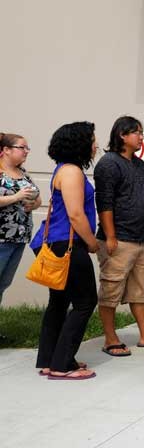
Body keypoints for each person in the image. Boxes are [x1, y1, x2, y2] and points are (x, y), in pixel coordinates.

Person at [34, 122, 100, 380]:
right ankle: (63, 364)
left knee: (59, 302)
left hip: (54, 241)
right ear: (80, 143)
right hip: (67, 244)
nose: (95, 145)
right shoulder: (72, 172)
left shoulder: (63, 169)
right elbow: (75, 214)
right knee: (85, 302)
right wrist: (92, 242)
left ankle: (50, 360)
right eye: (93, 140)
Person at [94, 116, 144, 357]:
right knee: (111, 290)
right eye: (137, 133)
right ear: (122, 135)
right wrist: (110, 236)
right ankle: (110, 338)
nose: (141, 137)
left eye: (142, 133)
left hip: (140, 238)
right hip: (118, 239)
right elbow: (104, 203)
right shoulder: (108, 163)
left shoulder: (140, 166)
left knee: (140, 289)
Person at [0, 133, 42, 341]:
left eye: (27, 148)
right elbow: (14, 197)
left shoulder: (22, 172)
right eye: (21, 147)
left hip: (18, 238)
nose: (26, 151)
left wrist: (34, 203)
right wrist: (15, 197)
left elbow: (37, 197)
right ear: (6, 150)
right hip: (1, 238)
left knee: (3, 283)